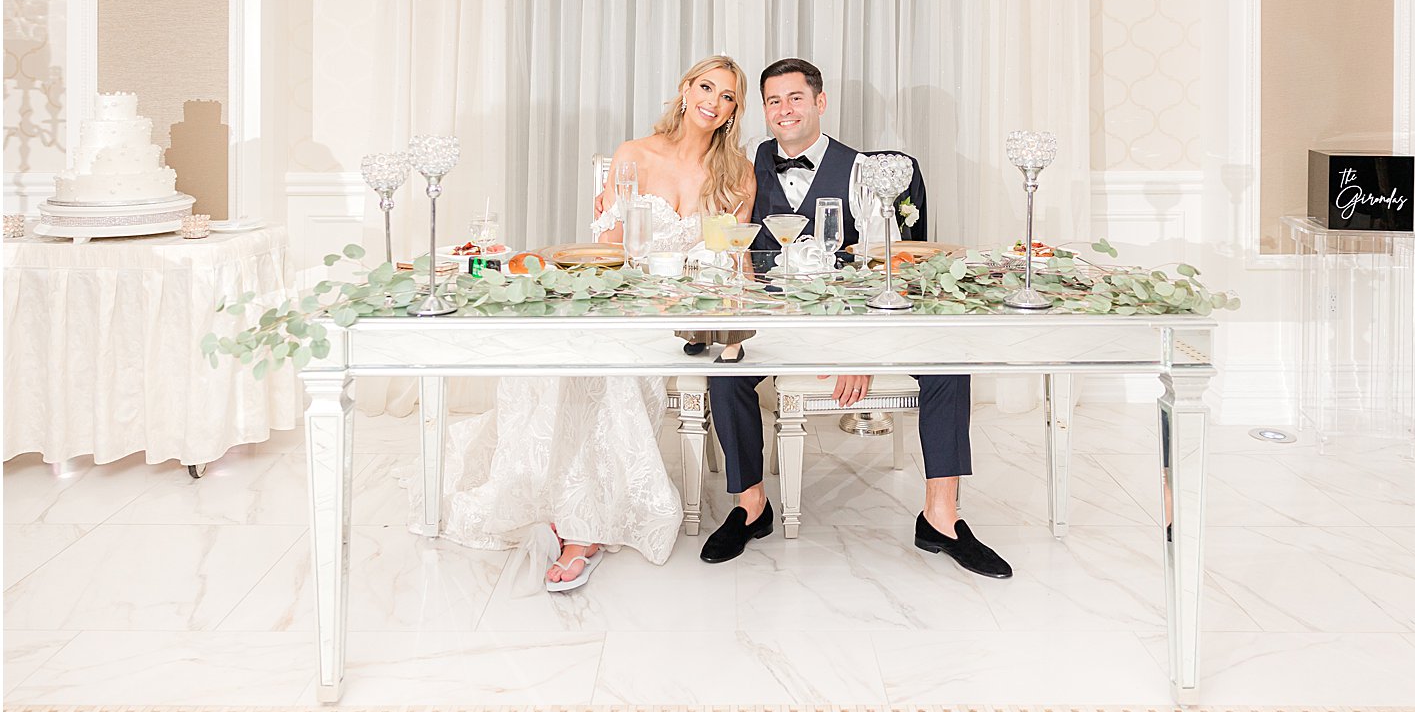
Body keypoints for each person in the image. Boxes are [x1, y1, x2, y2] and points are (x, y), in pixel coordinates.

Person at [404, 56, 757, 591]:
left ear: (734, 110)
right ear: (685, 90)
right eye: (706, 86)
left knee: (613, 377)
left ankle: (582, 530)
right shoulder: (633, 155)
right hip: (623, 301)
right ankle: (571, 510)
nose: (713, 100)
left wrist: (744, 317)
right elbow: (606, 254)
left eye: (727, 95)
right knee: (568, 365)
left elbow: (736, 259)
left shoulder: (738, 173)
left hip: (686, 318)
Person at [700, 57, 1012, 579]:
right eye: (773, 101)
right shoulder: (747, 167)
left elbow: (888, 267)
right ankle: (750, 505)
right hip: (775, 319)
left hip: (855, 317)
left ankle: (942, 516)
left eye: (796, 98)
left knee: (950, 363)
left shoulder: (866, 171)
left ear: (820, 103)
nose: (784, 110)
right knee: (726, 368)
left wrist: (861, 347)